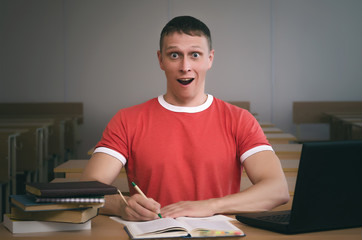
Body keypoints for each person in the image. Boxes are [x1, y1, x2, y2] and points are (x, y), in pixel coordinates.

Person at [81, 16, 289, 221]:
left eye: (195, 54)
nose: (185, 66)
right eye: (174, 55)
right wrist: (121, 205)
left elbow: (277, 190)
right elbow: (86, 189)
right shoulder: (127, 120)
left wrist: (209, 206)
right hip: (153, 233)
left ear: (210, 59)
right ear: (160, 59)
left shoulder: (240, 119)